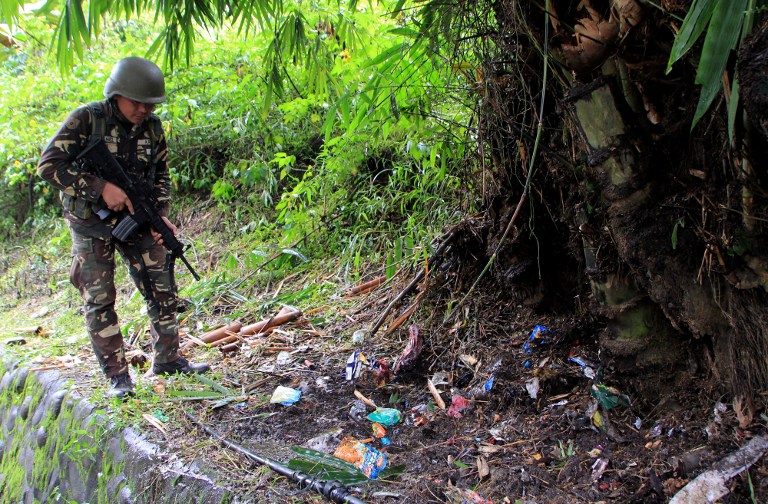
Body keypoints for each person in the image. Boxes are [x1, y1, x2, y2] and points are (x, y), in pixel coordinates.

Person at [37, 56, 210, 399]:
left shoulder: (153, 128)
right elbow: (49, 166)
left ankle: (168, 359)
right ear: (117, 94)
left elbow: (161, 176)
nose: (143, 110)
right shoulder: (88, 119)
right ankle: (118, 376)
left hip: (135, 218)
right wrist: (100, 188)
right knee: (100, 298)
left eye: (150, 104)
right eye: (137, 102)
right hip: (91, 224)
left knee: (162, 285)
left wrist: (160, 215)